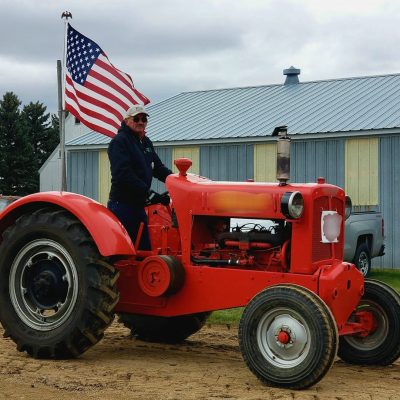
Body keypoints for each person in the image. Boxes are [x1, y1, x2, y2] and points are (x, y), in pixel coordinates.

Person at [107, 104, 172, 250]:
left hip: (139, 206)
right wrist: (148, 193)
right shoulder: (119, 142)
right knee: (124, 251)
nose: (141, 122)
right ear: (127, 121)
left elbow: (158, 168)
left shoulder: (146, 142)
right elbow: (122, 174)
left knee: (143, 250)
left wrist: (175, 181)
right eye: (136, 118)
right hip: (122, 205)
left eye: (144, 119)